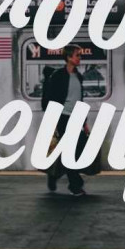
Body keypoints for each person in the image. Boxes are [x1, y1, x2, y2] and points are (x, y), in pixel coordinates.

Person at [41, 44, 88, 196]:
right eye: (77, 55)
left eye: (80, 55)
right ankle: (75, 184)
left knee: (77, 148)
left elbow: (79, 100)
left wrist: (84, 123)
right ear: (68, 57)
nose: (79, 58)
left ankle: (54, 175)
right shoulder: (58, 76)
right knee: (69, 151)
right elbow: (51, 98)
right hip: (62, 118)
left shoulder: (78, 76)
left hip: (76, 118)